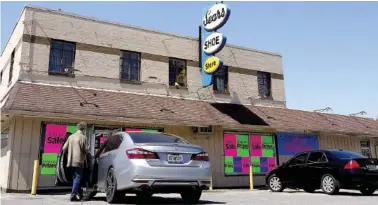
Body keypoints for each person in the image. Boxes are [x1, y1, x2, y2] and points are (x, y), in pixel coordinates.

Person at [62, 122, 89, 202]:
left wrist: (68, 155)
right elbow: (86, 150)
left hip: (71, 161)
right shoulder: (83, 137)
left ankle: (78, 193)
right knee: (77, 178)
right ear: (84, 129)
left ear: (77, 128)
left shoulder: (71, 137)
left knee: (75, 178)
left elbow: (64, 148)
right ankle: (73, 195)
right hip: (79, 161)